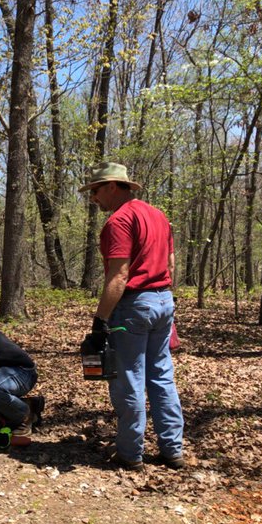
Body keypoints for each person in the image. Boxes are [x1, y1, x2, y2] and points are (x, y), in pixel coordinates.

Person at [83, 162, 184, 471]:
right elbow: (170, 261)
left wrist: (100, 320)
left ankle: (130, 452)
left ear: (114, 186)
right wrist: (165, 298)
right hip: (163, 300)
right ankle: (172, 449)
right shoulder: (158, 216)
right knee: (161, 375)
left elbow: (119, 275)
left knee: (130, 377)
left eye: (96, 190)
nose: (94, 198)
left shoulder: (119, 221)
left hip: (133, 306)